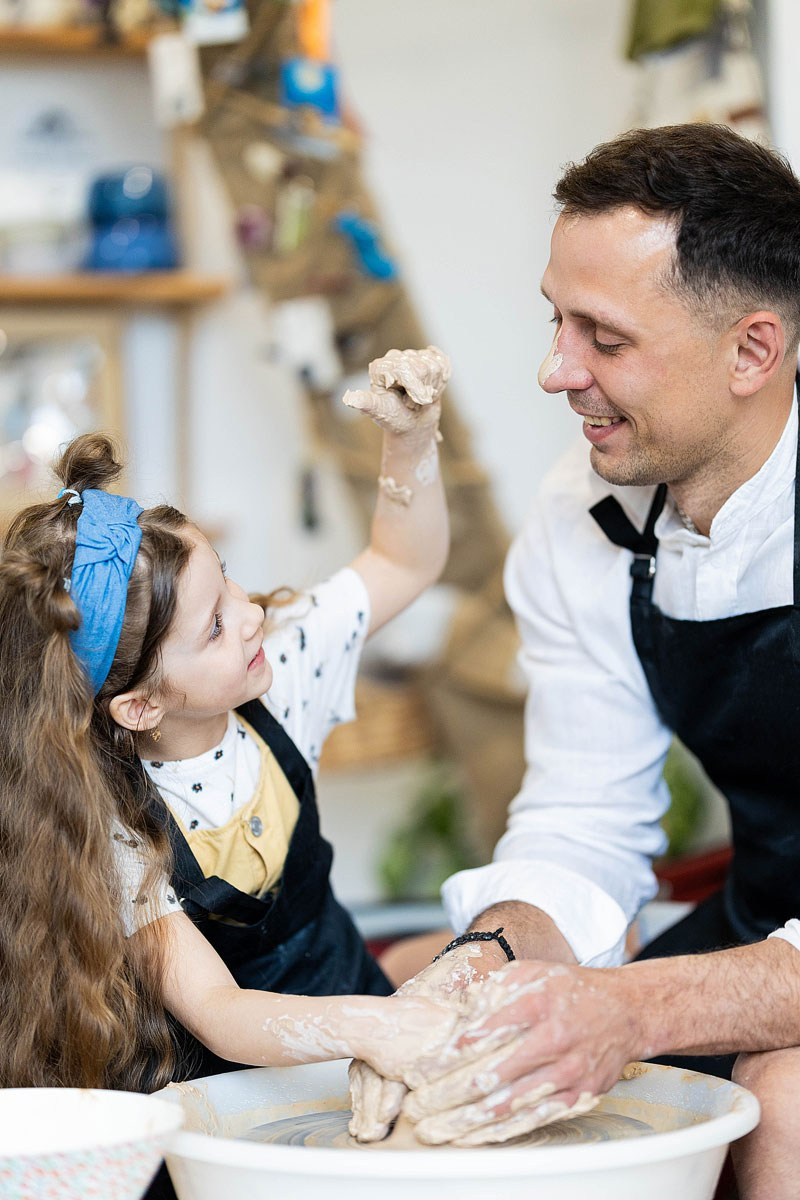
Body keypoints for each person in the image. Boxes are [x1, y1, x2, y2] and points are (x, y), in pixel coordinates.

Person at [348, 125, 800, 1198]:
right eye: (556, 320)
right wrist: (489, 963)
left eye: (602, 336)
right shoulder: (581, 511)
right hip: (760, 919)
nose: (555, 371)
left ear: (750, 351)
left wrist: (630, 1009)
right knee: (443, 1004)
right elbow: (583, 816)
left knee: (778, 1098)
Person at [0, 345, 466, 1107]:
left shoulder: (281, 674)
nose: (253, 615)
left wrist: (410, 440)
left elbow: (404, 563)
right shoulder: (112, 825)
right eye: (215, 626)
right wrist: (378, 1030)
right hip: (241, 1105)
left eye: (231, 580)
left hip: (366, 1017)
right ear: (140, 706)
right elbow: (221, 1014)